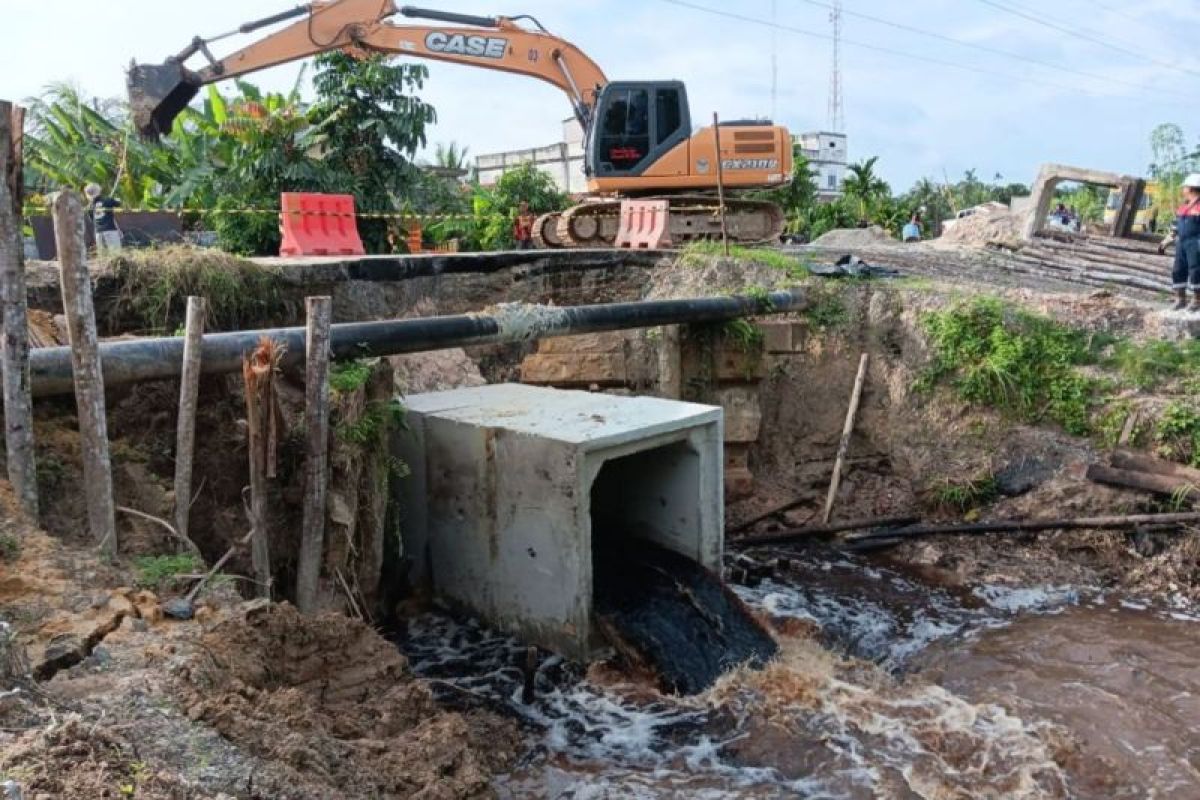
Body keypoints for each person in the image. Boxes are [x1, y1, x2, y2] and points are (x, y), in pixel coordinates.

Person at [1160, 173, 1200, 311]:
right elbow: (1175, 228)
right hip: (1181, 243)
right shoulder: (1183, 207)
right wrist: (1165, 242)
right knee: (1178, 270)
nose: (1183, 190)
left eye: (1185, 187)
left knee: (1196, 270)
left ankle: (1197, 301)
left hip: (1195, 243)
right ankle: (1180, 300)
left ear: (1191, 188)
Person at [85, 183, 122, 254]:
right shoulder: (107, 200)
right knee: (116, 255)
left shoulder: (89, 207)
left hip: (98, 233)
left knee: (103, 258)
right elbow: (118, 203)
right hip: (110, 231)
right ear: (98, 190)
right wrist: (116, 199)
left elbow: (92, 220)